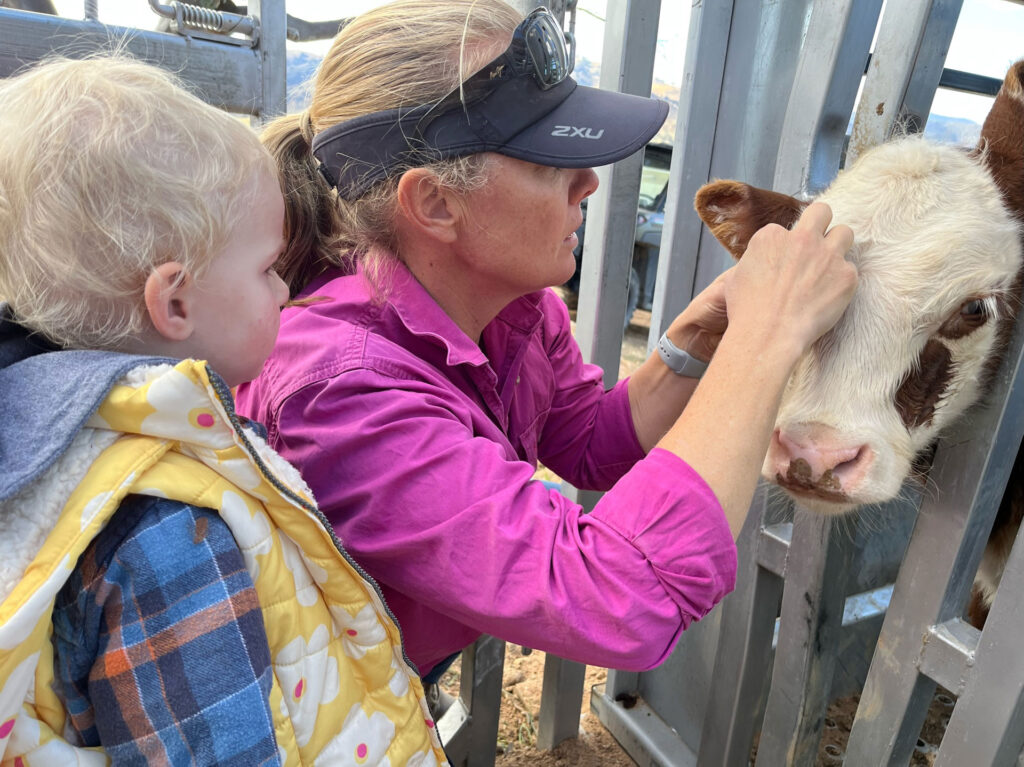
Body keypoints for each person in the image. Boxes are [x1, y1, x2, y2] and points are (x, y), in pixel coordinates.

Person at [238, 0, 857, 712]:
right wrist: (766, 339)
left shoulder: (513, 305)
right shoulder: (340, 393)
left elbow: (592, 442)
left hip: (401, 653)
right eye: (548, 157)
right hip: (314, 705)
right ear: (435, 203)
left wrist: (701, 338)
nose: (587, 179)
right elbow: (625, 597)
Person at [0, 57, 446, 766]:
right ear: (174, 302)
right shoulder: (167, 528)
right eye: (268, 266)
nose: (282, 290)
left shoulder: (37, 433)